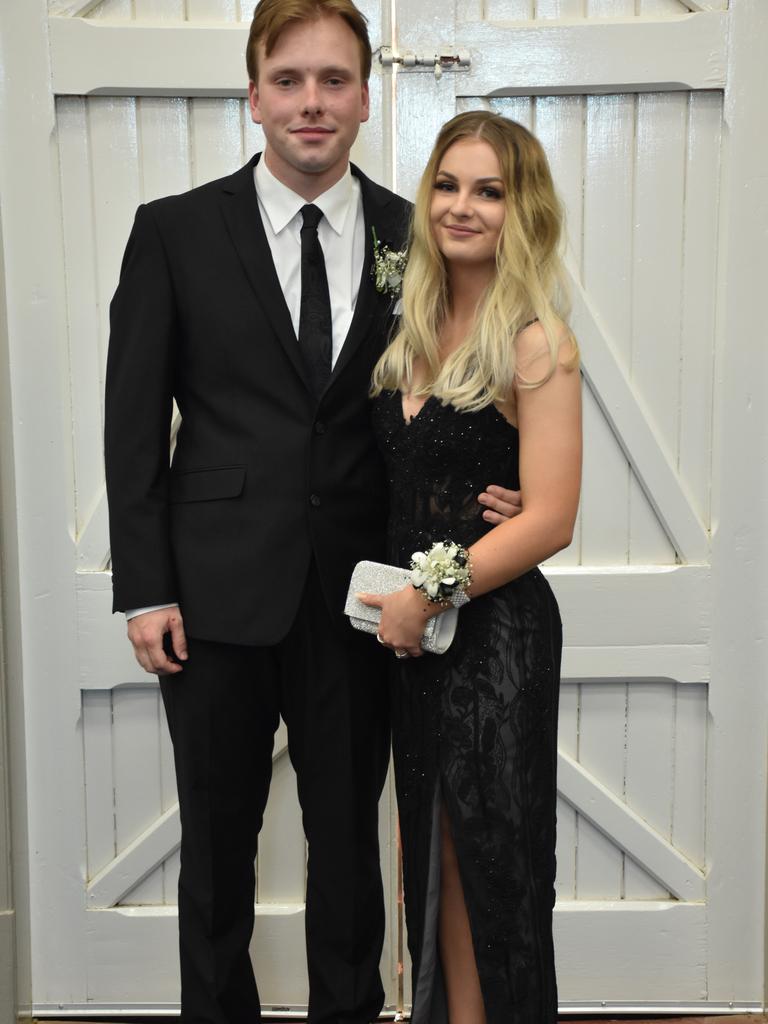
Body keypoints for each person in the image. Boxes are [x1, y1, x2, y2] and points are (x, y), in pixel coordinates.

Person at [104, 3, 522, 1022]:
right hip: (211, 597)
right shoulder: (173, 232)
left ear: (365, 100)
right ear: (253, 94)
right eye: (288, 79)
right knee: (215, 848)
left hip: (362, 602)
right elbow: (130, 423)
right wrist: (145, 585)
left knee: (347, 848)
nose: (311, 102)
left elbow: (460, 382)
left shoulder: (413, 235)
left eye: (334, 80)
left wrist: (497, 487)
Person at [360, 111, 582, 1024]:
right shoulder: (405, 323)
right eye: (448, 185)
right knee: (434, 851)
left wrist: (424, 593)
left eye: (488, 191)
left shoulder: (537, 342)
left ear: (519, 209)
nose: (462, 207)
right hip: (415, 647)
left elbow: (553, 519)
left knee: (492, 856)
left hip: (494, 642)